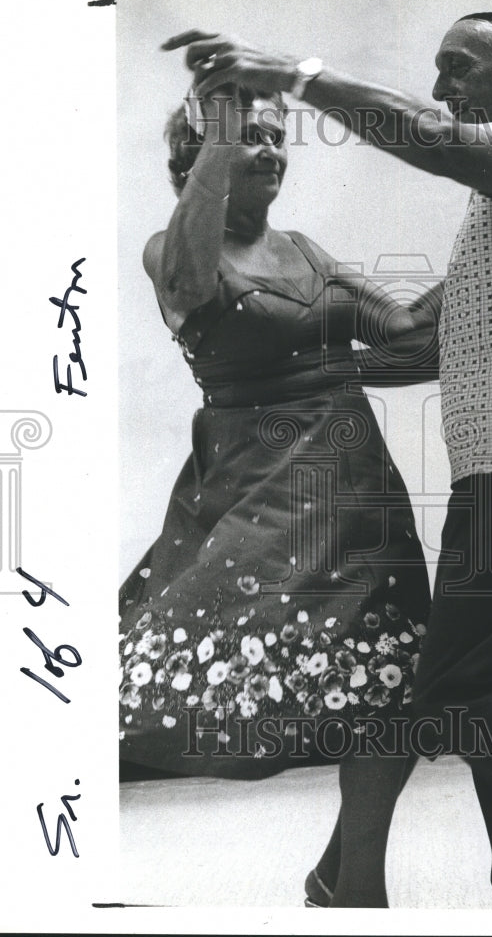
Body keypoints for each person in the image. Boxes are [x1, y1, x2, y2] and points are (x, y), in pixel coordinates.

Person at [163, 12, 492, 910]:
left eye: (458, 68)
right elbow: (423, 340)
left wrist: (295, 73)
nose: (441, 90)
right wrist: (297, 379)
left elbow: (432, 143)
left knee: (459, 689)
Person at [118, 82, 443, 908]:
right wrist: (220, 116)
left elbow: (404, 338)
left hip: (355, 481)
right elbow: (189, 283)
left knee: (394, 677)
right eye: (241, 136)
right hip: (255, 486)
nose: (267, 149)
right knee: (196, 670)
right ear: (195, 161)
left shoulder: (304, 247)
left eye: (273, 136)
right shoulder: (172, 250)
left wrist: (486, 248)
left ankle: (352, 880)